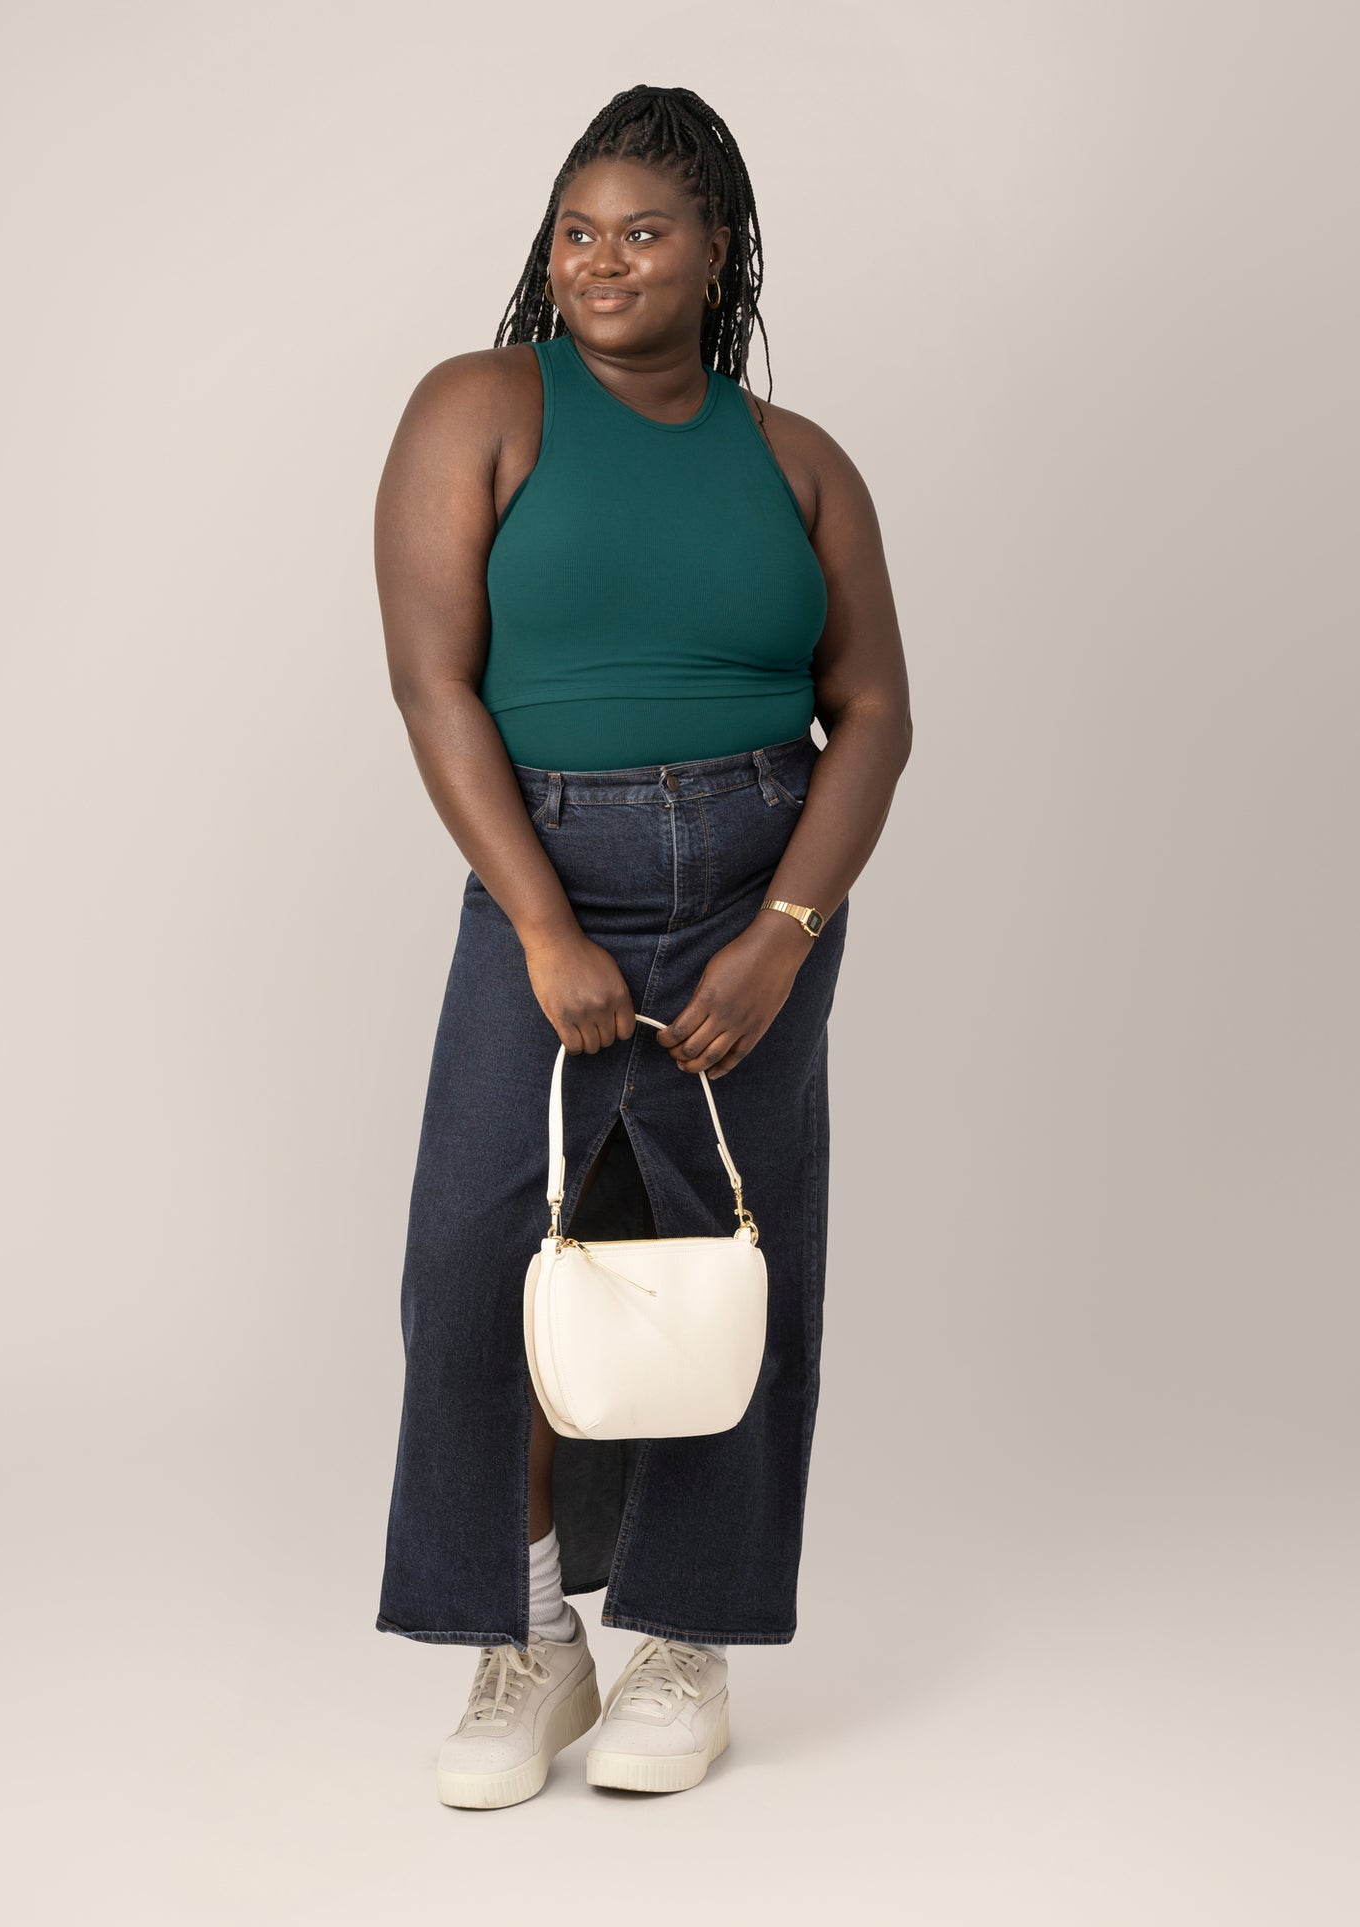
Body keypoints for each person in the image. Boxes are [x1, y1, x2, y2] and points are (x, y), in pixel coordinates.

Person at [372, 83, 912, 1808]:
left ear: (716, 248)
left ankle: (686, 1640)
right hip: (554, 869)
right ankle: (525, 1646)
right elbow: (429, 679)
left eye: (644, 231)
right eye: (577, 232)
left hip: (763, 879)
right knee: (477, 1267)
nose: (603, 261)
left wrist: (782, 936)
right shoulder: (482, 406)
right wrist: (539, 920)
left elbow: (877, 709)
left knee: (726, 1265)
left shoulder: (798, 458)